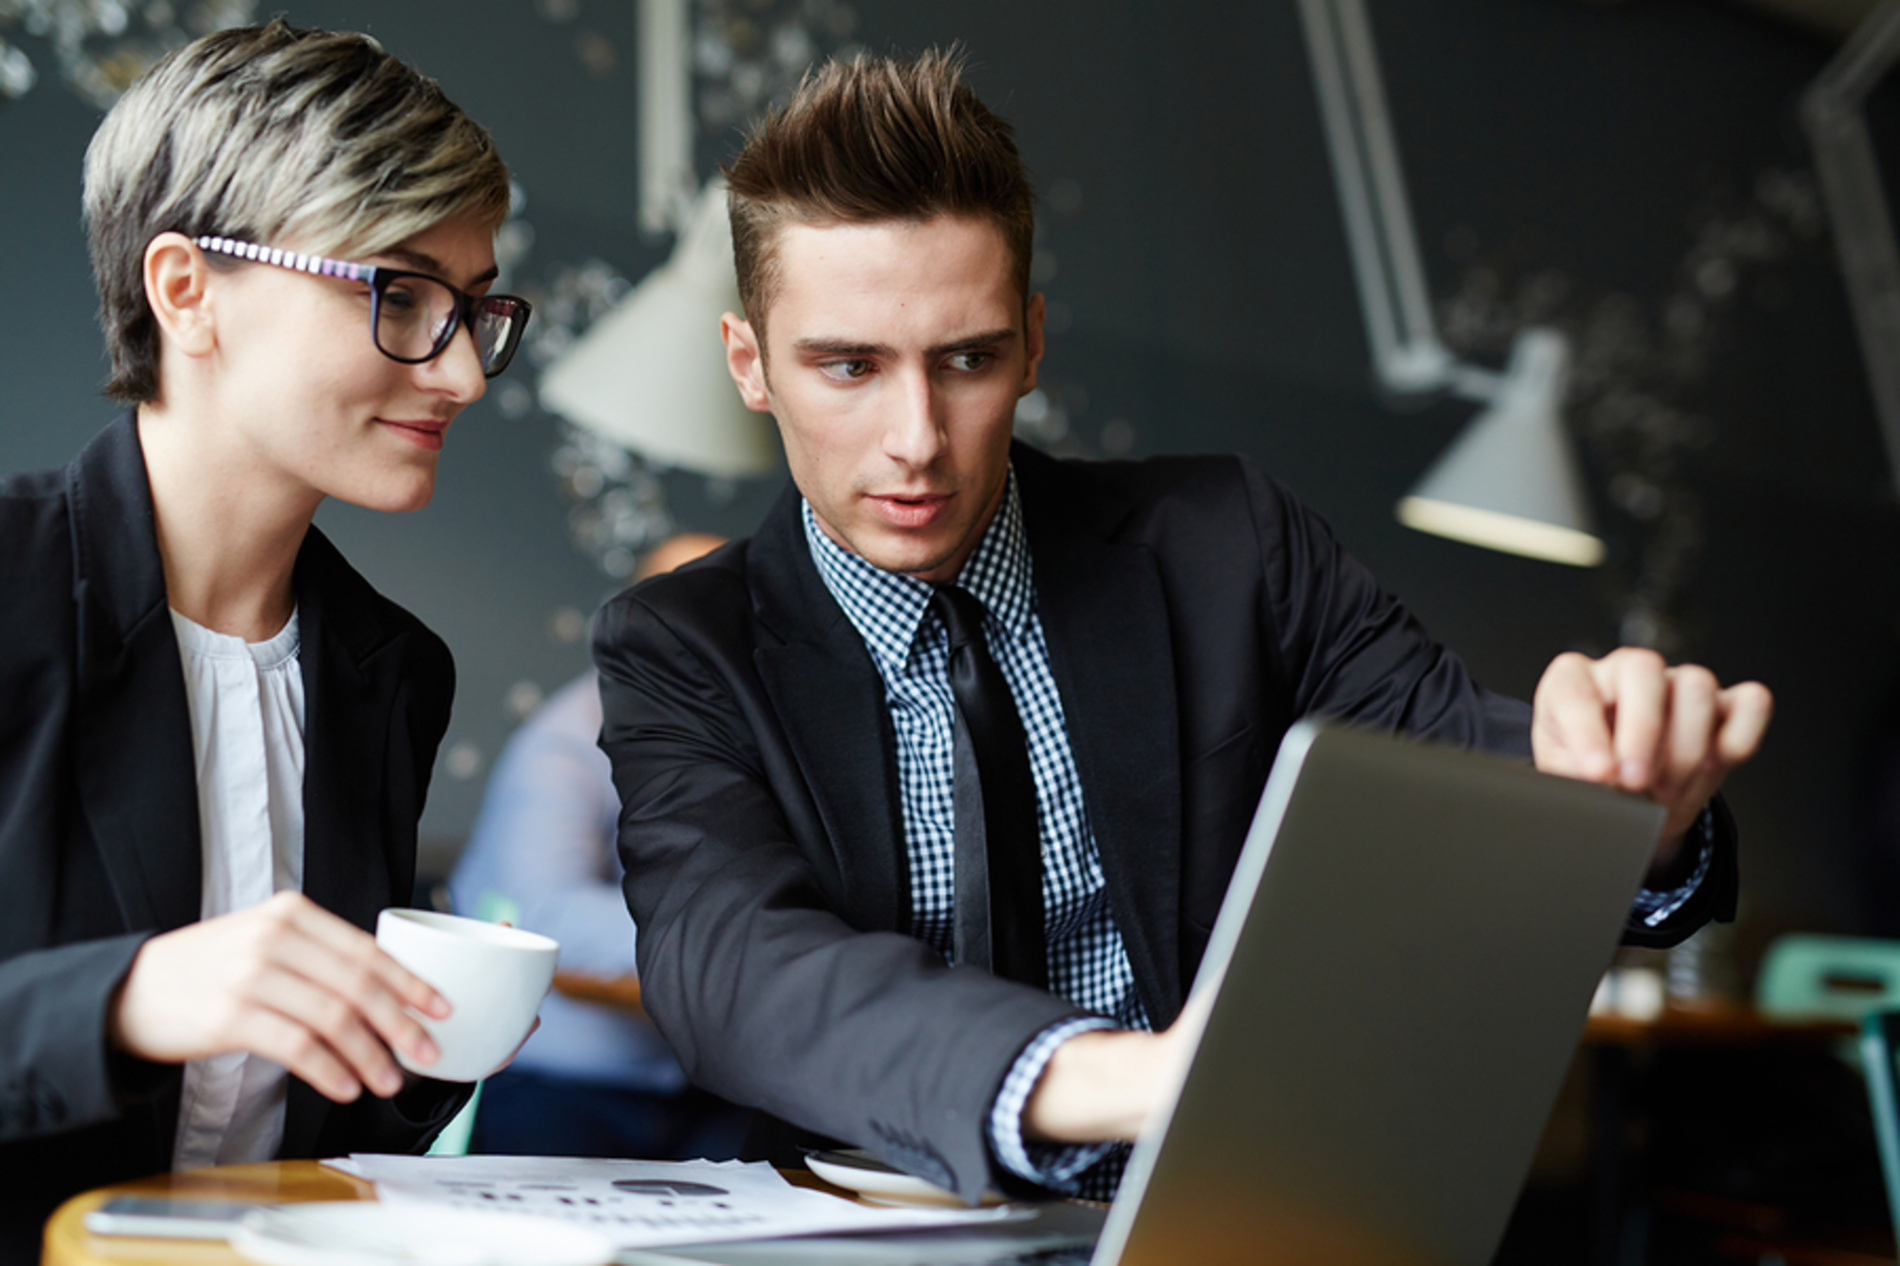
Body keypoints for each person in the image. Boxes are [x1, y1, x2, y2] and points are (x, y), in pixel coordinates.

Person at [591, 49, 1774, 1204]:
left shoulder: (1227, 546)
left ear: (1034, 345)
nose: (915, 437)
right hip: (867, 1235)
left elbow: (1469, 774)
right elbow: (731, 964)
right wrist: (1124, 1079)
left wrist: (1633, 807)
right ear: (750, 364)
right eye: (847, 366)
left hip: (1231, 1218)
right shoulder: (683, 642)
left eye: (968, 360)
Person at [0, 21, 532, 1250]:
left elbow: (314, 1136)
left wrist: (431, 1045)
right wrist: (128, 999)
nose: (463, 377)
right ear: (187, 289)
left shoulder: (391, 671)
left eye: (475, 310)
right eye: (401, 296)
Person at [449, 533, 750, 1160]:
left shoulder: (749, 736)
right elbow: (550, 919)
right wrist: (749, 943)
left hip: (712, 1085)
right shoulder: (563, 743)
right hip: (562, 1088)